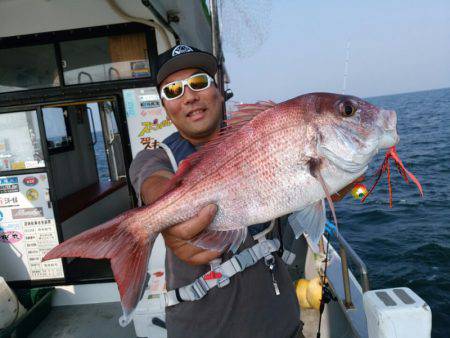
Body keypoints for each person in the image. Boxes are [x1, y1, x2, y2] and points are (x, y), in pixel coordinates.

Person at [129, 44, 354, 338]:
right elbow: (153, 183)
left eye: (198, 83)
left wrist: (330, 188)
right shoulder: (158, 158)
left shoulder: (260, 136)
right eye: (173, 91)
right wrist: (169, 217)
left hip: (285, 326)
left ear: (219, 90)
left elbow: (300, 194)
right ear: (165, 107)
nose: (189, 97)